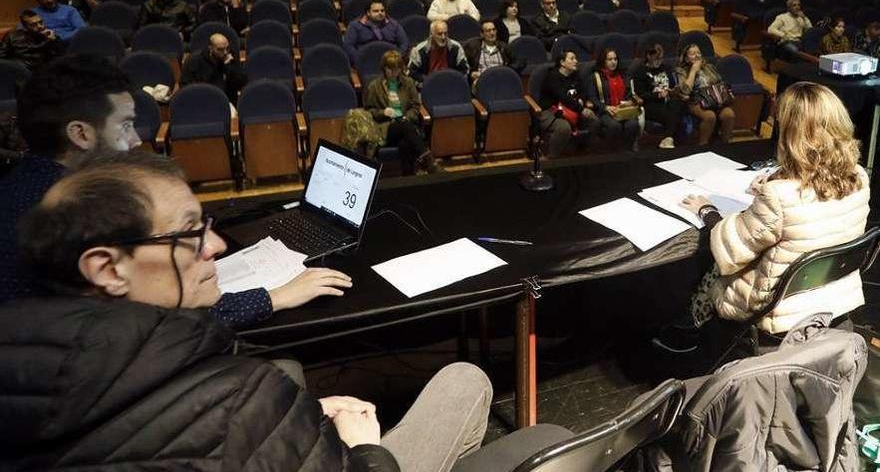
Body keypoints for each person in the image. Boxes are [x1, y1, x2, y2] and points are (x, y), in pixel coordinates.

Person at [1, 149, 567, 471]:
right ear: (107, 268)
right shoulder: (238, 400)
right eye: (191, 233)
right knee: (470, 383)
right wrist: (360, 444)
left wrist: (281, 426)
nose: (217, 247)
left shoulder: (23, 370)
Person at [0, 55, 349, 332]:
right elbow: (156, 323)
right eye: (124, 125)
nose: (136, 139)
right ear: (81, 134)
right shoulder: (63, 211)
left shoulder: (27, 184)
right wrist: (276, 296)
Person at [653, 82, 870, 353]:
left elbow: (732, 250)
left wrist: (707, 211)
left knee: (714, 264)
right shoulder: (860, 177)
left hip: (777, 307)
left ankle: (689, 331)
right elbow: (815, 189)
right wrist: (778, 180)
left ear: (791, 134)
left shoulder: (779, 197)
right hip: (833, 294)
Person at [364, 50, 440, 175]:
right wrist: (383, 112)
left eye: (397, 69)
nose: (394, 73)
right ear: (384, 68)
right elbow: (369, 111)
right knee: (404, 126)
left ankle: (407, 177)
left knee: (406, 142)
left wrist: (406, 117)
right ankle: (429, 162)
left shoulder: (408, 83)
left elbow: (416, 106)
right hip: (385, 128)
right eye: (391, 69)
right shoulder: (374, 86)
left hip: (406, 125)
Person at [536, 50, 599, 157]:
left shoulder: (575, 75)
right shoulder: (552, 77)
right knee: (564, 128)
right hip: (551, 111)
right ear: (562, 62)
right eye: (572, 58)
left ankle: (584, 152)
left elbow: (583, 92)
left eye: (576, 58)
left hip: (573, 109)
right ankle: (552, 157)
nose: (576, 61)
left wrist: (581, 100)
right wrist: (581, 109)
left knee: (594, 120)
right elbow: (563, 97)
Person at [675, 43, 735, 144]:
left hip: (715, 99)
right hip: (696, 100)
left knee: (729, 115)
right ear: (686, 58)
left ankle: (724, 144)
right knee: (710, 116)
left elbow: (720, 82)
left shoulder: (709, 67)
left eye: (698, 53)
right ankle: (703, 145)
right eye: (693, 54)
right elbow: (685, 91)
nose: (697, 55)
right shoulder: (681, 71)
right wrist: (693, 71)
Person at [631, 42, 684, 149]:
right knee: (673, 115)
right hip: (651, 104)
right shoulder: (640, 71)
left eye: (661, 58)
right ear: (649, 56)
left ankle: (667, 139)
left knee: (677, 105)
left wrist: (673, 91)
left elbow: (672, 86)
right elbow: (641, 94)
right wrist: (657, 95)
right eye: (656, 58)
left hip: (668, 100)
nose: (659, 61)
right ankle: (668, 138)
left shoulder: (666, 68)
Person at [588, 47, 642, 152]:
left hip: (624, 110)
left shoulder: (623, 74)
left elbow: (630, 93)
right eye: (610, 59)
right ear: (603, 61)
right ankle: (613, 153)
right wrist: (605, 107)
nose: (613, 62)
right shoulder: (595, 77)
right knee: (614, 126)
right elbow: (592, 98)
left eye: (615, 59)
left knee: (633, 124)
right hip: (607, 111)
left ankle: (628, 152)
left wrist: (630, 101)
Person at [180, 33, 248, 104]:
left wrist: (229, 67)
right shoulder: (194, 60)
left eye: (227, 48)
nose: (225, 52)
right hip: (201, 101)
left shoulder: (231, 57)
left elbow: (241, 83)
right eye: (220, 49)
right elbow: (185, 86)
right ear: (210, 48)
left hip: (227, 101)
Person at [343, 0, 410, 64]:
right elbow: (348, 46)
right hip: (366, 62)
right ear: (368, 13)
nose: (380, 13)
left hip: (390, 63)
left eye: (382, 10)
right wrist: (360, 60)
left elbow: (404, 43)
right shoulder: (355, 25)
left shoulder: (394, 24)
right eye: (376, 11)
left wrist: (397, 58)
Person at [408, 19, 469, 85]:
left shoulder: (456, 47)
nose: (443, 37)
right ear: (431, 34)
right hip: (428, 84)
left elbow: (465, 70)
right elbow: (411, 72)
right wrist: (426, 82)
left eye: (445, 33)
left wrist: (454, 80)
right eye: (439, 34)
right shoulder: (420, 50)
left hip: (450, 84)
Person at [463, 20, 525, 85]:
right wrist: (471, 73)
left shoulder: (504, 47)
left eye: (494, 30)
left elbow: (520, 62)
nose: (492, 33)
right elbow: (464, 66)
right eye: (488, 31)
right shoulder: (473, 47)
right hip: (482, 80)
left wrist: (506, 70)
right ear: (482, 34)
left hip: (501, 79)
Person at [0, 10, 65, 71]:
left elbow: (62, 55)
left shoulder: (50, 35)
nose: (40, 26)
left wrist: (55, 40)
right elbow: (2, 55)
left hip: (42, 71)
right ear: (25, 27)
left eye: (40, 22)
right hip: (19, 71)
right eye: (33, 25)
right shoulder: (13, 36)